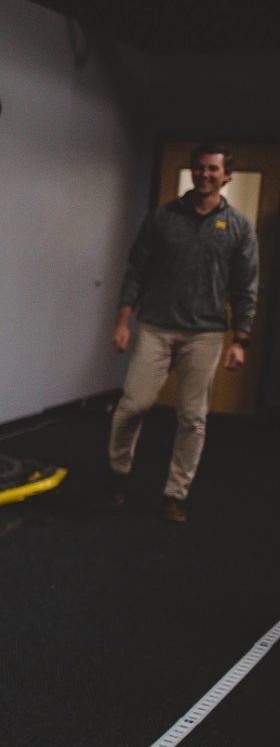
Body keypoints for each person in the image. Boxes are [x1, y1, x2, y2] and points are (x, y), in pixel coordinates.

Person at [105, 143, 259, 523]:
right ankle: (117, 477)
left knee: (193, 418)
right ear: (192, 172)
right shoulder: (163, 218)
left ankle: (175, 494)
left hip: (204, 334)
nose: (205, 174)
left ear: (227, 176)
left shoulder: (238, 227)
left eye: (213, 169)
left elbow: (246, 287)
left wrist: (240, 339)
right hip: (156, 326)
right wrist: (123, 321)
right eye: (199, 168)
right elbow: (136, 272)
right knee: (133, 406)